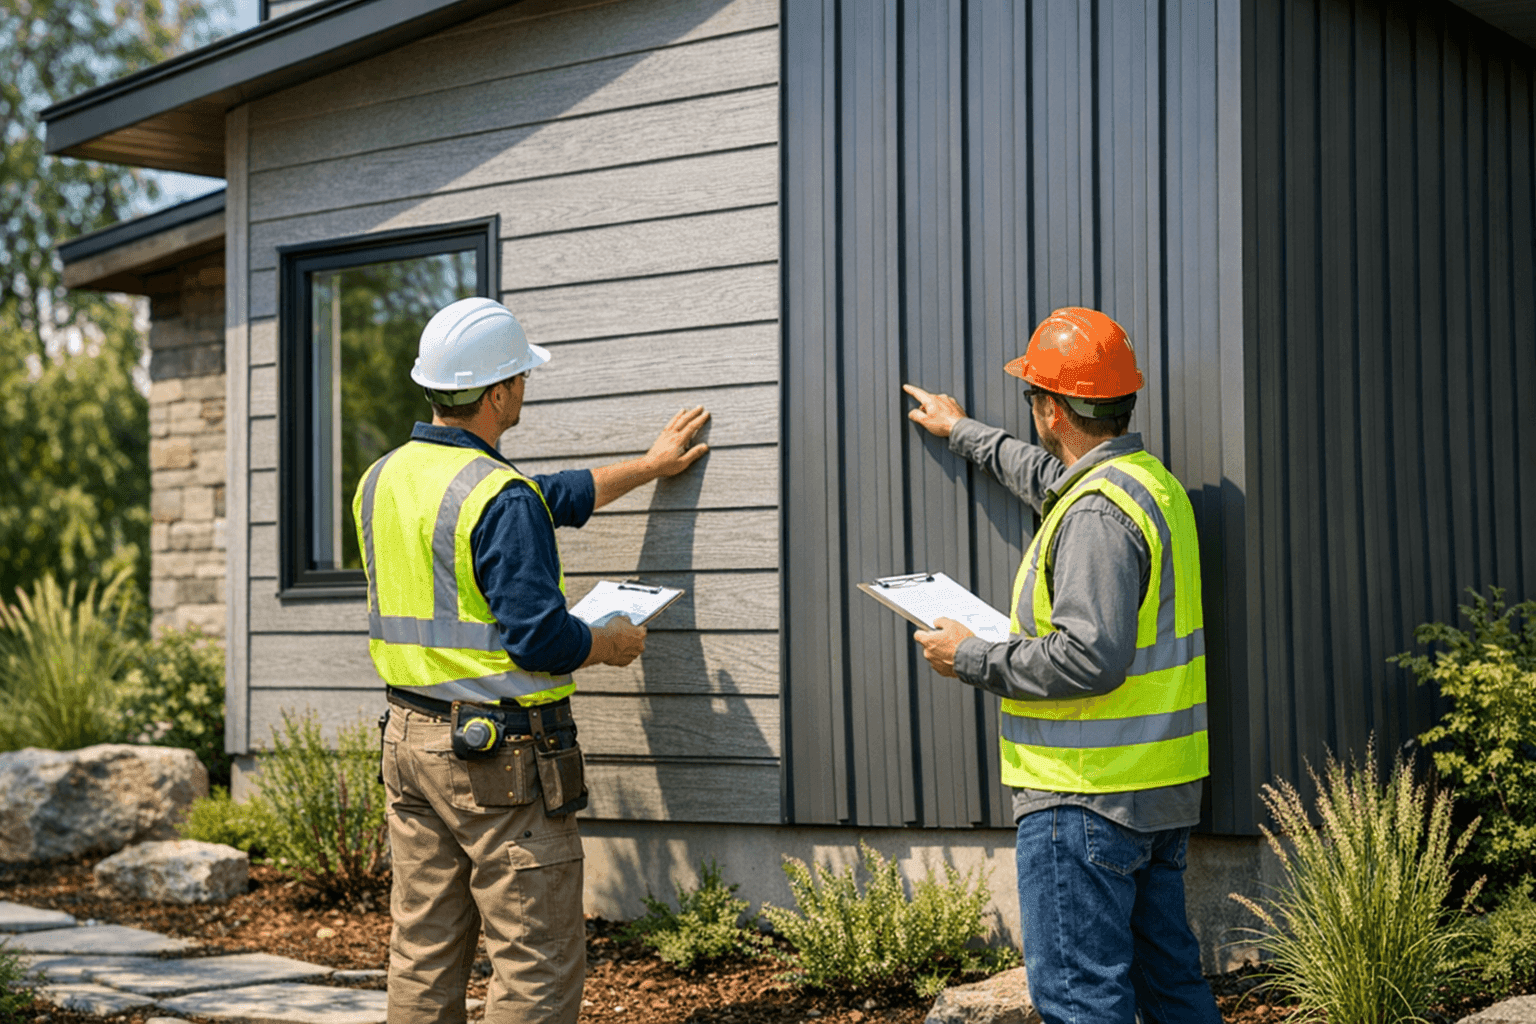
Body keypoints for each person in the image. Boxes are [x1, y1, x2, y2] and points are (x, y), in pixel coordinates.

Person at [353, 296, 709, 1024]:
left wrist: (648, 466)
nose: (523, 390)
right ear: (497, 392)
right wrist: (610, 645)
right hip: (498, 762)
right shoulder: (497, 496)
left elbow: (548, 498)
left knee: (423, 951)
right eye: (519, 379)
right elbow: (540, 639)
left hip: (408, 742)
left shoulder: (384, 478)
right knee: (535, 962)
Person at [903, 307, 1220, 1024]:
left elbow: (1090, 656)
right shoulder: (1145, 485)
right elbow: (1050, 474)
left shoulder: (1095, 516)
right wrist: (964, 432)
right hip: (1152, 792)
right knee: (1170, 989)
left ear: (1050, 408)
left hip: (1084, 799)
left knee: (1082, 1001)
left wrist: (971, 657)